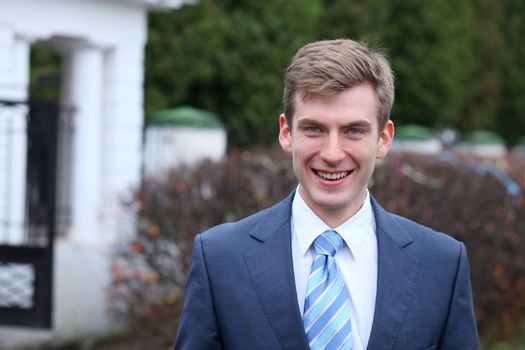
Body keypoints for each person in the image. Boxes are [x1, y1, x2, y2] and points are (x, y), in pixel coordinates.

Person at [174, 39, 479, 350]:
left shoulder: (441, 265)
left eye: (354, 131)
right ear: (286, 133)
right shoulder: (220, 260)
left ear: (384, 139)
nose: (332, 154)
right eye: (314, 129)